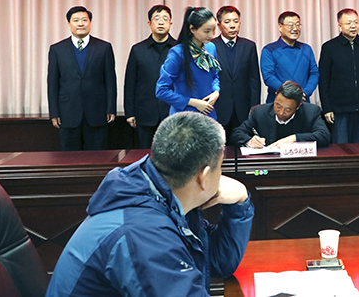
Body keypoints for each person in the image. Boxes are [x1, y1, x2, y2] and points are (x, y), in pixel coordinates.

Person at [45, 111, 254, 297]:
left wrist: (240, 203)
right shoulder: (144, 232)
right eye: (220, 167)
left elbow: (217, 262)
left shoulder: (161, 192)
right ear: (203, 176)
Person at [47, 6, 117, 151]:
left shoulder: (104, 48)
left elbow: (110, 81)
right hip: (68, 113)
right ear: (69, 24)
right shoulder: (57, 49)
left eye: (84, 20)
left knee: (98, 157)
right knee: (70, 158)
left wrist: (111, 108)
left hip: (97, 112)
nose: (80, 24)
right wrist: (54, 112)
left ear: (90, 23)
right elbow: (52, 83)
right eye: (76, 20)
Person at [318, 8, 359, 143]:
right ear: (339, 25)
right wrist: (327, 108)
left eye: (356, 22)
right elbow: (323, 81)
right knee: (341, 147)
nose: (353, 26)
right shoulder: (329, 47)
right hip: (339, 108)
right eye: (348, 23)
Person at [124, 5, 177, 149]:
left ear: (170, 23)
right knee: (145, 153)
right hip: (145, 113)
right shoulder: (138, 50)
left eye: (165, 19)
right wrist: (129, 113)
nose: (161, 22)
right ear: (149, 23)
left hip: (173, 111)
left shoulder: (179, 49)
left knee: (173, 154)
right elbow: (130, 83)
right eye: (157, 18)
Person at [156, 7, 221, 120]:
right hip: (183, 116)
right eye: (206, 31)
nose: (211, 35)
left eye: (213, 30)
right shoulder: (177, 53)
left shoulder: (211, 48)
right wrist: (192, 102)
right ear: (192, 29)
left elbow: (215, 76)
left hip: (208, 114)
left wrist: (216, 91)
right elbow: (161, 91)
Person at [231, 81, 331, 148]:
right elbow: (237, 133)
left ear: (298, 106)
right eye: (278, 106)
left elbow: (324, 136)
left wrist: (294, 138)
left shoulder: (310, 112)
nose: (281, 112)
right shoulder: (260, 112)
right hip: (270, 163)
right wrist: (249, 140)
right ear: (275, 97)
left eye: (288, 109)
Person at [213, 6, 261, 141]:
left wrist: (254, 110)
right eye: (227, 22)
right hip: (218, 108)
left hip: (243, 110)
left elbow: (254, 81)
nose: (232, 25)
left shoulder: (249, 46)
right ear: (219, 25)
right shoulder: (210, 46)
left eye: (236, 21)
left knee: (243, 148)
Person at [261, 11, 319, 102]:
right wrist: (290, 94)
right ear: (280, 27)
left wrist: (305, 92)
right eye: (290, 25)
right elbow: (268, 77)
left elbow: (314, 73)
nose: (295, 29)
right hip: (279, 102)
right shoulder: (269, 50)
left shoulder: (306, 49)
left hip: (303, 101)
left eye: (297, 25)